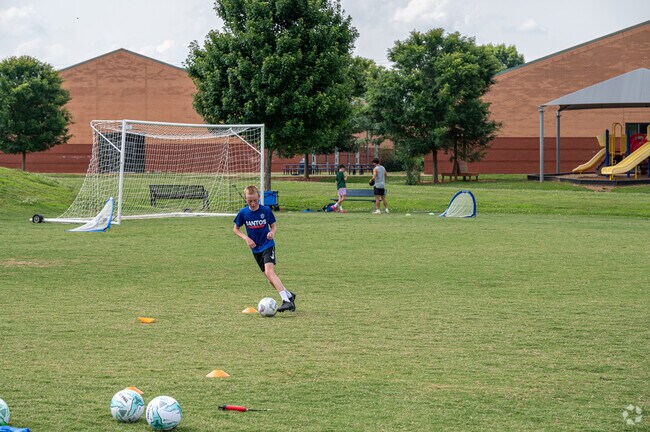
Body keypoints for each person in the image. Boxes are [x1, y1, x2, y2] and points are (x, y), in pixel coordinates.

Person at [233, 185, 296, 312]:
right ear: (245, 199)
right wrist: (246, 238)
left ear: (259, 197)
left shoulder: (266, 210)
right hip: (255, 249)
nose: (253, 203)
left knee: (269, 272)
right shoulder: (243, 213)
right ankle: (289, 295)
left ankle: (286, 301)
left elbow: (273, 226)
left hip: (267, 245)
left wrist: (272, 233)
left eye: (255, 200)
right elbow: (235, 229)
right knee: (269, 279)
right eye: (249, 200)